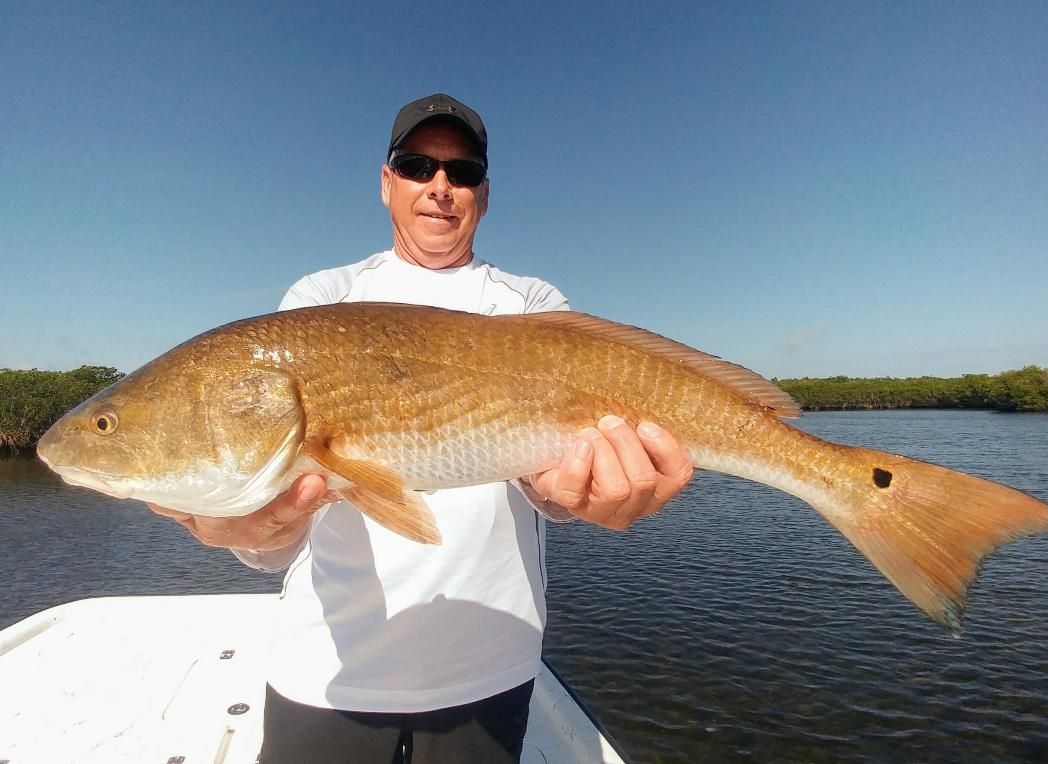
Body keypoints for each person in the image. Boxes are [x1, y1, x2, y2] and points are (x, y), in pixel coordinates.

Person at [150, 94, 693, 763]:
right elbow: (273, 539)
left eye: (461, 172)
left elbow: (549, 487)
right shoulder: (317, 305)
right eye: (417, 165)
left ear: (483, 196)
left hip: (491, 674)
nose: (440, 186)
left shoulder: (531, 307)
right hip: (326, 673)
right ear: (386, 183)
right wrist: (253, 528)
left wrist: (579, 498)